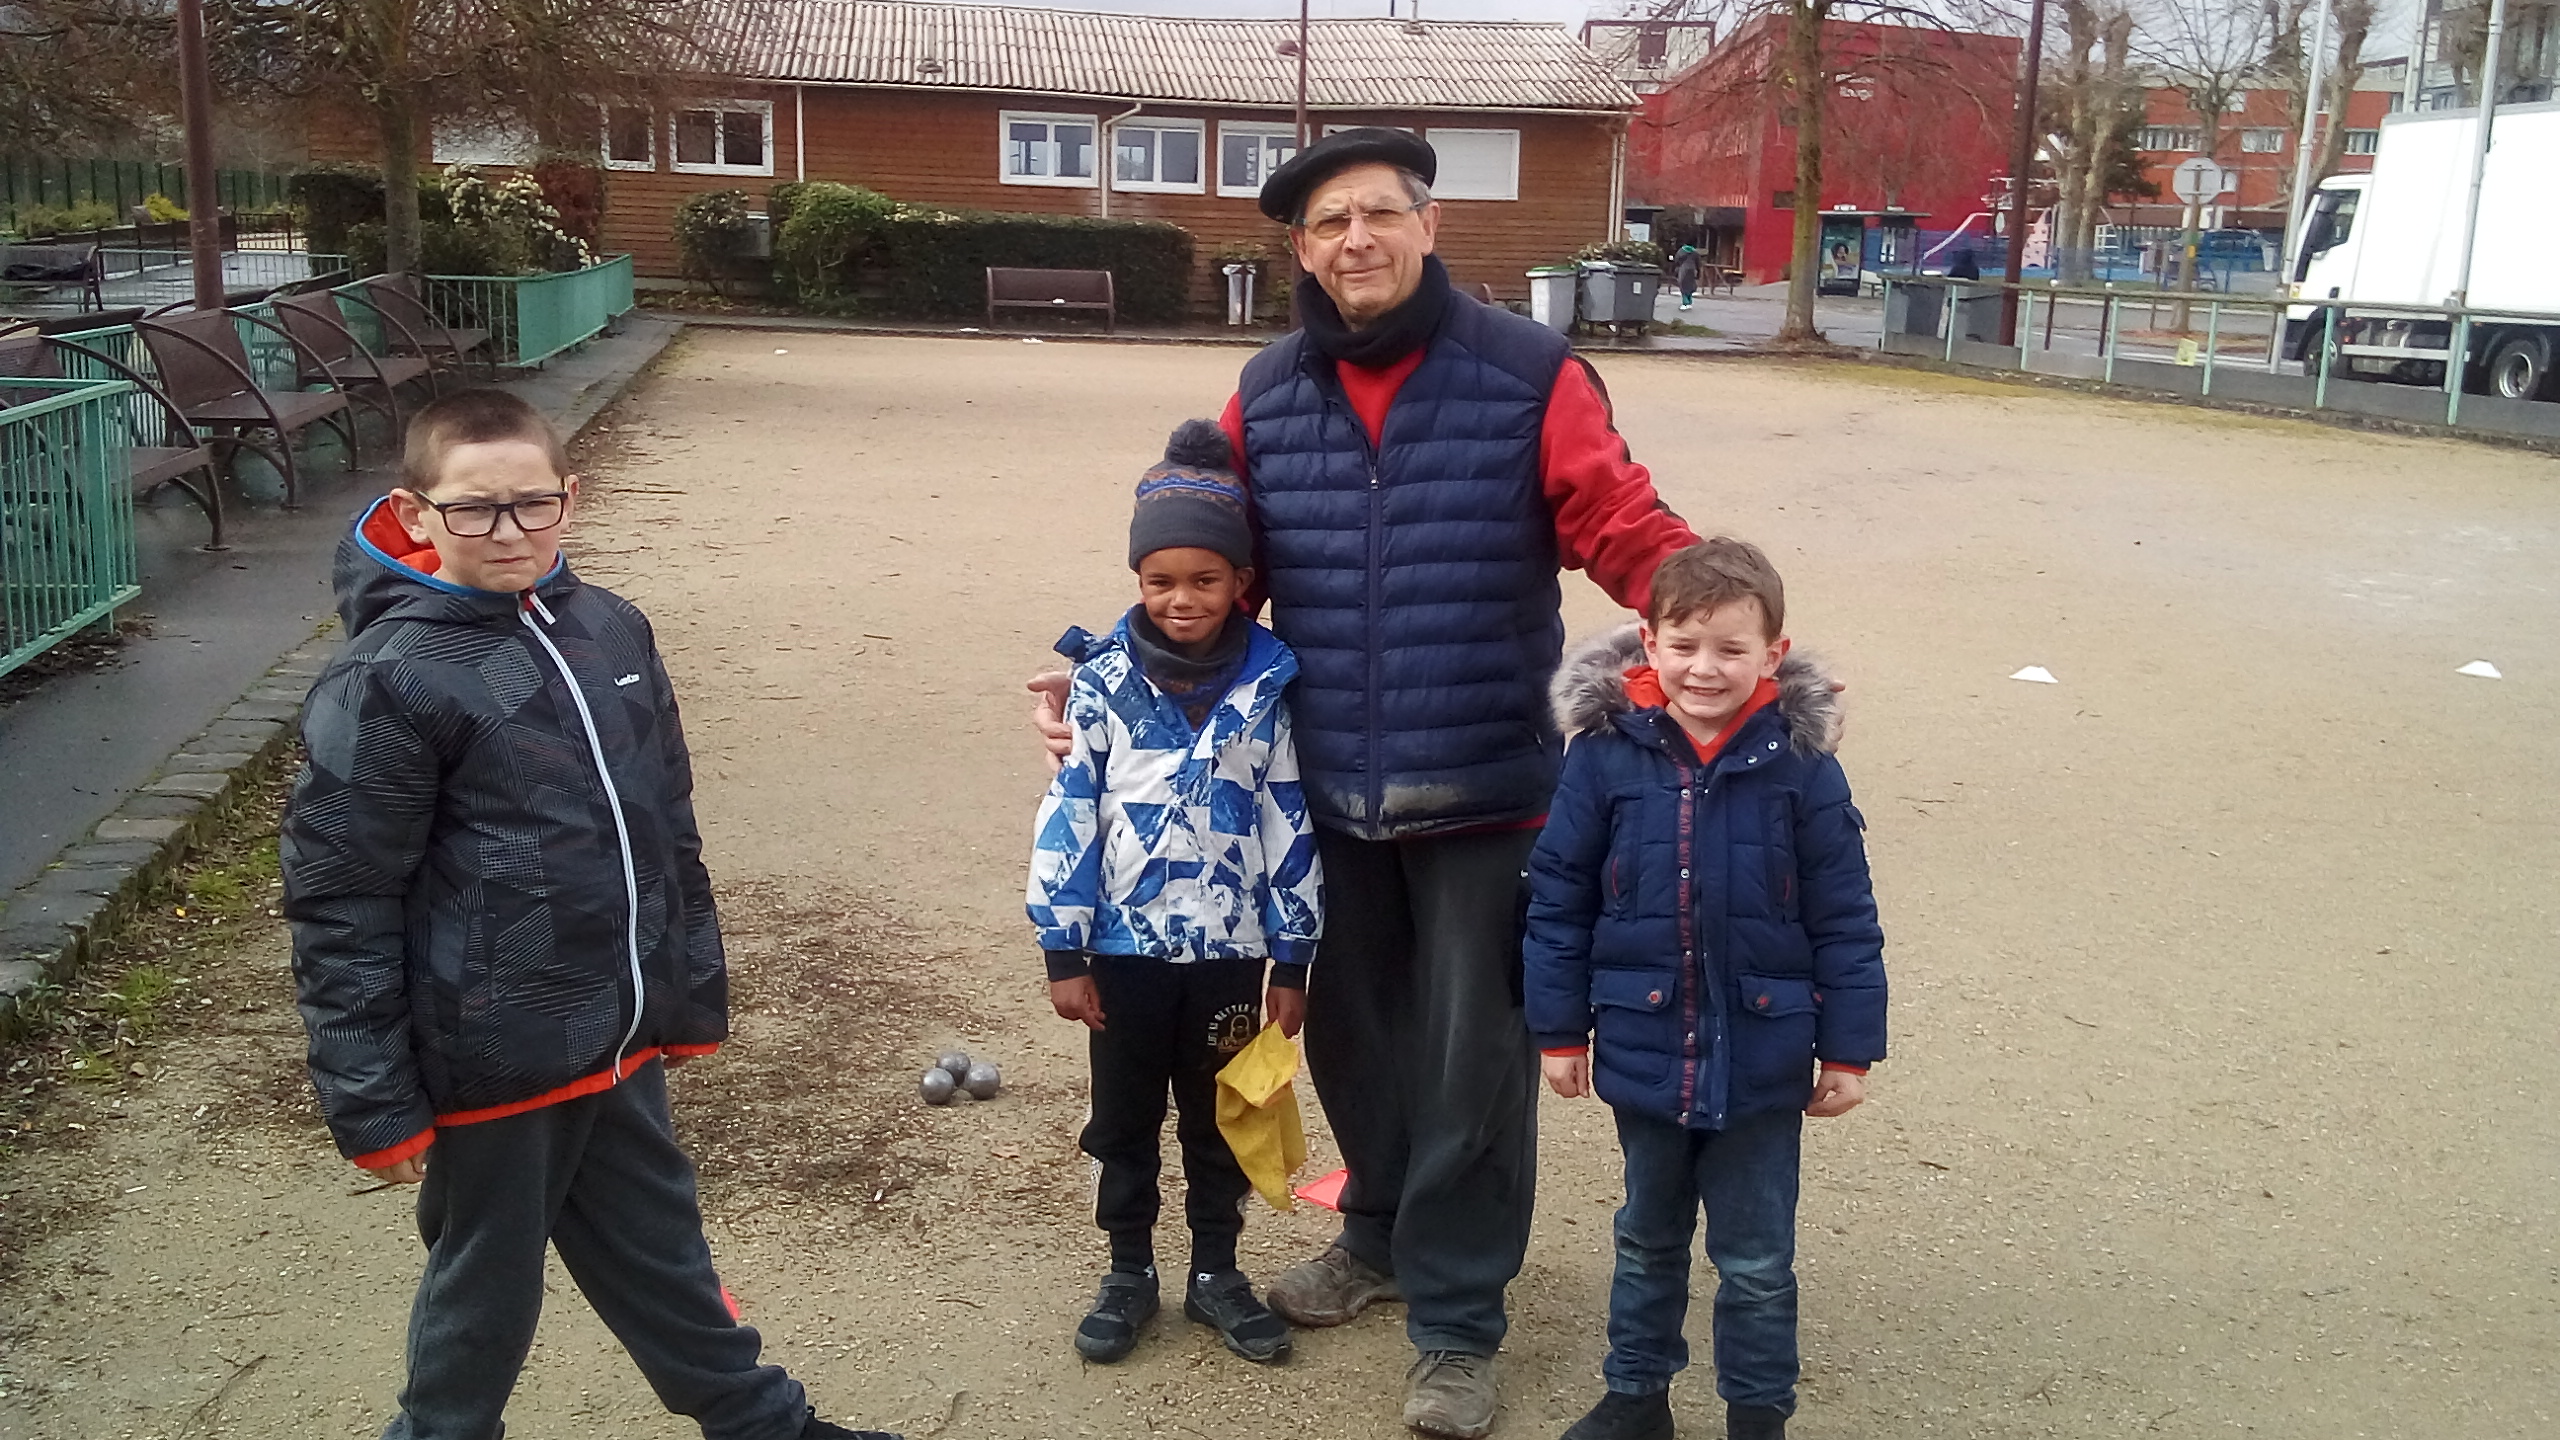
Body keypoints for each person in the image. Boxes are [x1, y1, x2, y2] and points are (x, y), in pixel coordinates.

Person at [1032, 128, 1698, 1439]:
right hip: (1315, 790)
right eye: (1329, 224)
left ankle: (1456, 1323)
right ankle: (1383, 1231)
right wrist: (1100, 684)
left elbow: (1622, 522)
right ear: (1300, 249)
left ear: (1428, 226)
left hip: (1488, 790)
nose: (1357, 241)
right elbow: (1209, 576)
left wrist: (1719, 632)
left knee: (1472, 1063)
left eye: (1380, 215)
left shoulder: (1531, 372)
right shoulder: (1265, 394)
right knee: (1347, 1038)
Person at [281, 389, 898, 1440]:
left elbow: (666, 822)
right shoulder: (389, 677)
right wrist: (371, 1098)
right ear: (416, 513)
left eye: (533, 504)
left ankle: (761, 1424)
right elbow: (341, 897)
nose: (510, 531)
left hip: (616, 1029)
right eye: (475, 510)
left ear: (571, 497)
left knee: (659, 1244)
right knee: (487, 1287)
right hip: (493, 1047)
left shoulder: (611, 625)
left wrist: (686, 989)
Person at [1522, 538, 1886, 1440]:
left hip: (1764, 1056)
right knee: (1646, 1240)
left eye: (1731, 648)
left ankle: (1757, 1417)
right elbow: (1558, 898)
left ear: (1774, 654)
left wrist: (1846, 1047)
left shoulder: (1803, 767)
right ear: (1648, 643)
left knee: (1757, 1259)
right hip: (1645, 1048)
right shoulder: (1604, 759)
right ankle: (1636, 1397)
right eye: (1684, 644)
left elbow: (1845, 917)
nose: (1705, 668)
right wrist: (1559, 1030)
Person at [1027, 420, 1322, 1369]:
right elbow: (1070, 814)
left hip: (1231, 958)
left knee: (1220, 1117)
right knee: (1122, 1124)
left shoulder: (1271, 686)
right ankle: (1126, 1271)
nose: (1182, 599)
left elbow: (1287, 820)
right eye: (1161, 581)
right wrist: (1062, 950)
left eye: (1205, 580)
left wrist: (1295, 955)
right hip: (1121, 954)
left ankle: (1216, 1274)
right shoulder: (1104, 685)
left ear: (1242, 582)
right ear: (1137, 582)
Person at [1673, 245, 1701, 310]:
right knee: (1690, 285)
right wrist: (1698, 272)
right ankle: (1689, 302)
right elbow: (1698, 263)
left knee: (1683, 285)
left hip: (1684, 269)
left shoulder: (1681, 251)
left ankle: (1685, 302)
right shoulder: (1695, 253)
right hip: (1693, 269)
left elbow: (1676, 260)